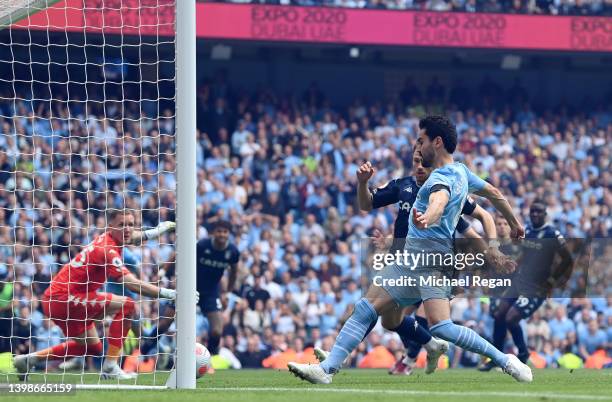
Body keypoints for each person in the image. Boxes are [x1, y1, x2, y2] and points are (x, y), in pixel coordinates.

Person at [288, 115, 532, 384]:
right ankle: (327, 369)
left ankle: (505, 360)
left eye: (421, 140)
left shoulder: (440, 178)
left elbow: (440, 198)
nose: (417, 146)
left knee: (442, 327)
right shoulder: (461, 171)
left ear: (436, 143)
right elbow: (495, 193)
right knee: (366, 308)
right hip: (411, 259)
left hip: (431, 262)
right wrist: (515, 222)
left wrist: (429, 216)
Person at [315, 149, 499, 375]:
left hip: (436, 267)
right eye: (416, 162)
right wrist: (363, 184)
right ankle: (431, 346)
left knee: (421, 317)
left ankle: (405, 360)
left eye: (425, 162)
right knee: (389, 321)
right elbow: (367, 205)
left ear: (434, 164)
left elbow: (473, 230)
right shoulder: (402, 187)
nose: (420, 166)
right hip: (404, 265)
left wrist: (491, 253)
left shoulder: (446, 192)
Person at [13, 210, 179, 380]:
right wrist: (169, 293)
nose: (127, 229)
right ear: (111, 226)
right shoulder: (107, 249)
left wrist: (159, 230)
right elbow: (130, 282)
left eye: (130, 224)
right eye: (122, 225)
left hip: (58, 299)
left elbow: (136, 236)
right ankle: (110, 366)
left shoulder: (114, 238)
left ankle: (28, 360)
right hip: (65, 298)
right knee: (128, 305)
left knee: (93, 347)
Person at [481, 200, 573, 370]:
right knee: (499, 314)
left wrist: (552, 281)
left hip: (537, 288)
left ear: (545, 214)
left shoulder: (552, 234)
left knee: (511, 318)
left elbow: (567, 259)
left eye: (539, 212)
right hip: (520, 281)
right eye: (533, 212)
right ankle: (497, 357)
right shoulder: (528, 231)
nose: (535, 214)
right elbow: (526, 256)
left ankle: (523, 353)